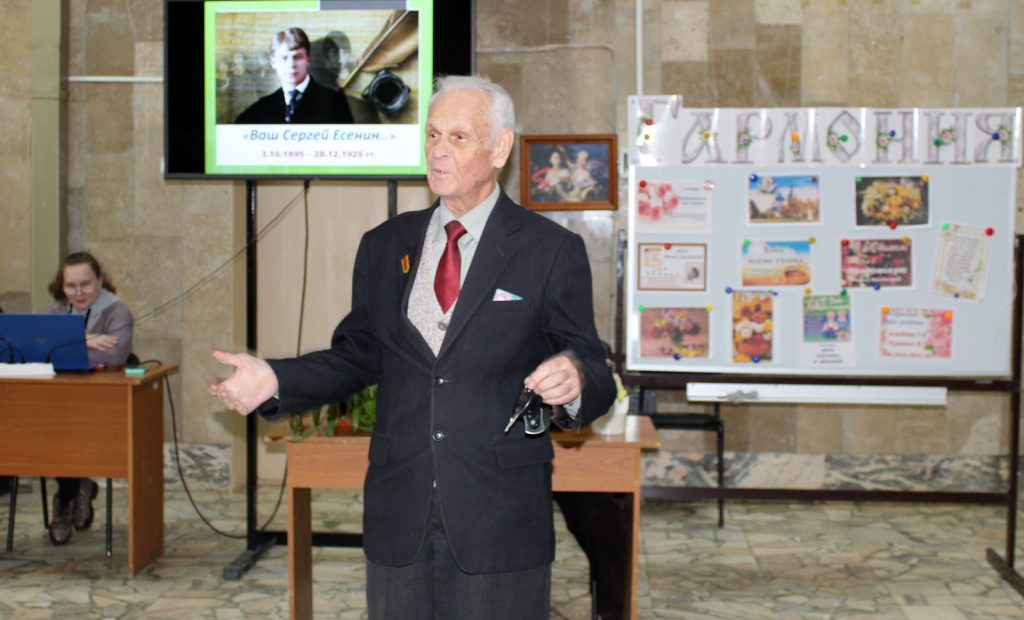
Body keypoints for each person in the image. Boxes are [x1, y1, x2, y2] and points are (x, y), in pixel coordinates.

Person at [210, 75, 616, 619]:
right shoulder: (384, 246)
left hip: (499, 514)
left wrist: (575, 377)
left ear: (500, 148)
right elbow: (358, 354)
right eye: (431, 135)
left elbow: (591, 363)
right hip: (399, 508)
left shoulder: (549, 249)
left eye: (458, 137)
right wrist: (277, 379)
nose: (438, 151)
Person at [45, 251, 134, 545]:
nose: (78, 292)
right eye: (71, 286)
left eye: (85, 284)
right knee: (53, 427)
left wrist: (65, 344)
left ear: (100, 280)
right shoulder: (55, 311)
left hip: (101, 405)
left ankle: (65, 500)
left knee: (68, 430)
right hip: (59, 401)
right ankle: (77, 489)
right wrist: (86, 340)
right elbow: (38, 350)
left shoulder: (117, 312)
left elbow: (114, 355)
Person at [234, 27, 354, 125]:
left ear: (308, 59)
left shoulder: (335, 102)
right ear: (273, 62)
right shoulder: (261, 108)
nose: (291, 65)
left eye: (297, 57)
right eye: (284, 58)